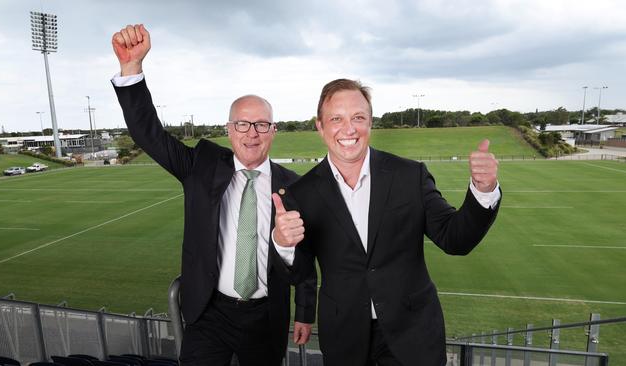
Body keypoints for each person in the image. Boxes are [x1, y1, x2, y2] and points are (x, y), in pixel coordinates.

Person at [111, 24, 316, 366]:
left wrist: (306, 311)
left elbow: (306, 260)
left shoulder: (295, 187)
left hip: (266, 316)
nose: (252, 134)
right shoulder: (201, 166)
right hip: (210, 313)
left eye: (262, 125)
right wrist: (132, 69)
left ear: (274, 131)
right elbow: (149, 135)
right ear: (229, 129)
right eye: (242, 124)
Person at [272, 79, 501, 366]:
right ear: (320, 126)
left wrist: (483, 189)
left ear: (370, 122)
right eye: (336, 119)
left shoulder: (409, 175)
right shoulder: (301, 193)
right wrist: (282, 244)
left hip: (413, 336)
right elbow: (302, 273)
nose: (349, 129)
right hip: (345, 339)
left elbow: (455, 239)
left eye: (358, 117)